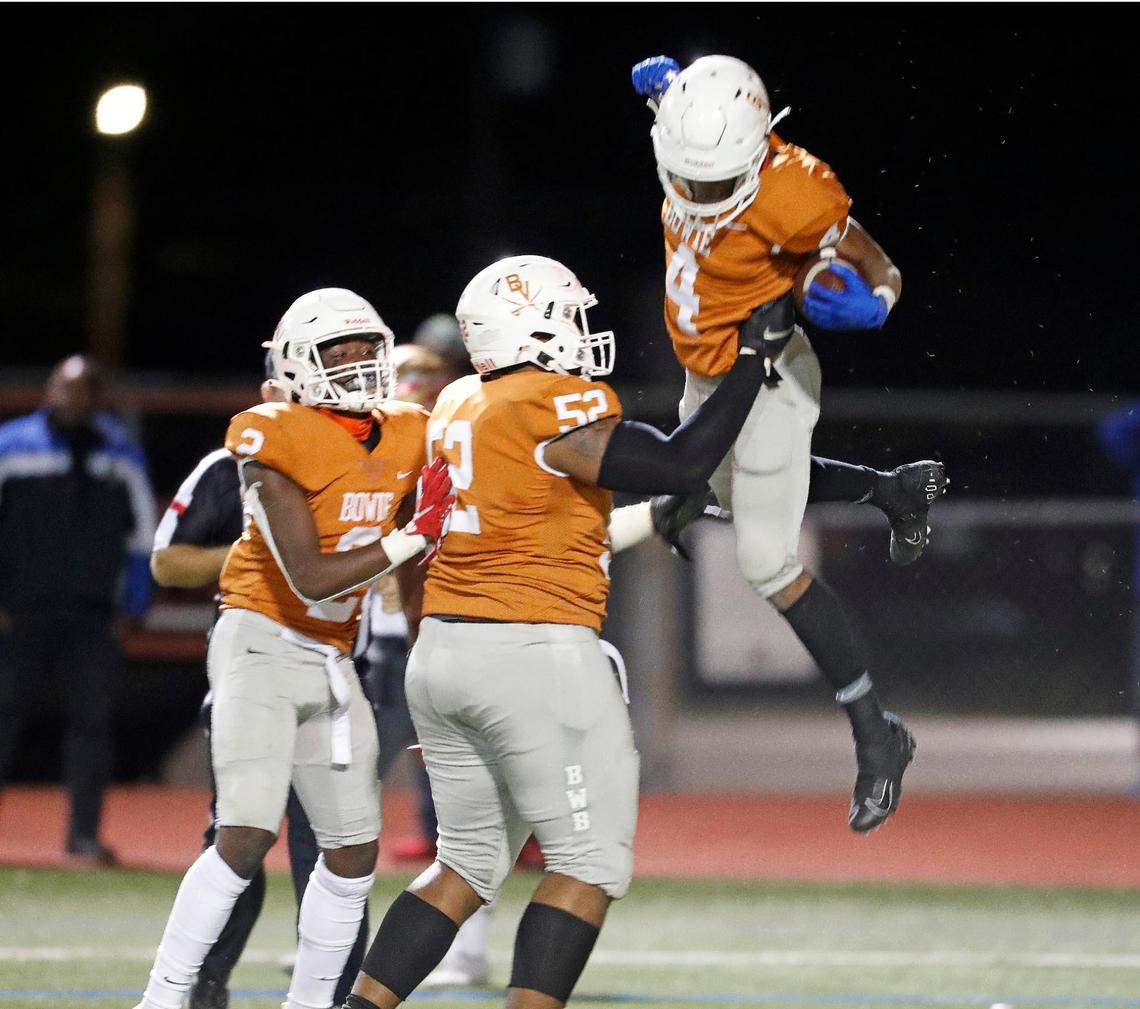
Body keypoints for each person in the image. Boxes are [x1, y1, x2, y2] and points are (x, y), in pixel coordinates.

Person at [341, 253, 786, 1009]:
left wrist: (650, 516)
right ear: (531, 325)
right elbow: (680, 461)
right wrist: (751, 363)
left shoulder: (454, 401)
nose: (582, 331)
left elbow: (537, 516)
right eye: (569, 315)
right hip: (531, 651)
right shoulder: (550, 401)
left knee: (467, 863)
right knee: (588, 861)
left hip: (444, 648)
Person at [631, 53, 941, 832]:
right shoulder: (693, 123)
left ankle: (877, 731)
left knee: (764, 557)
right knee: (730, 494)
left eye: (715, 181)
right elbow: (680, 96)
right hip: (705, 372)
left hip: (765, 374)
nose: (697, 196)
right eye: (688, 178)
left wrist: (873, 305)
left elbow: (879, 265)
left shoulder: (796, 188)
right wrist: (662, 85)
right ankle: (890, 489)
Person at [133, 287, 455, 1009]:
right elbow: (309, 576)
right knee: (244, 831)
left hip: (335, 656)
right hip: (261, 639)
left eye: (367, 349)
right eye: (337, 354)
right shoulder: (268, 435)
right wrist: (414, 533)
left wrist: (430, 646)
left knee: (351, 852)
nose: (359, 365)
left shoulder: (408, 429)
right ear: (297, 365)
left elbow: (410, 561)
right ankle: (160, 998)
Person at [0, 354, 157, 865]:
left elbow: (142, 536)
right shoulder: (12, 446)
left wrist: (132, 604)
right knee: (5, 715)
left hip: (93, 614)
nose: (72, 397)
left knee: (91, 723)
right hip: (20, 611)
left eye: (83, 388)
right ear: (49, 389)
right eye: (64, 386)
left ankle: (83, 834)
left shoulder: (117, 454)